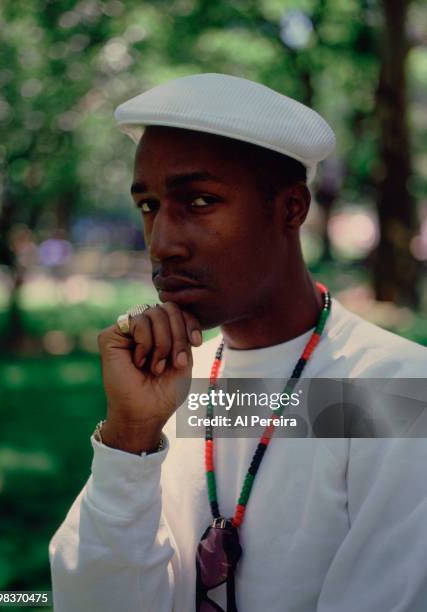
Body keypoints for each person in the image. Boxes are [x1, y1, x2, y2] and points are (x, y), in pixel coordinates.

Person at [49, 73, 427, 611]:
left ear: (291, 209)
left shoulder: (395, 390)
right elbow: (94, 601)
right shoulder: (176, 383)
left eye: (199, 201)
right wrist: (129, 437)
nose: (162, 243)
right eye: (150, 205)